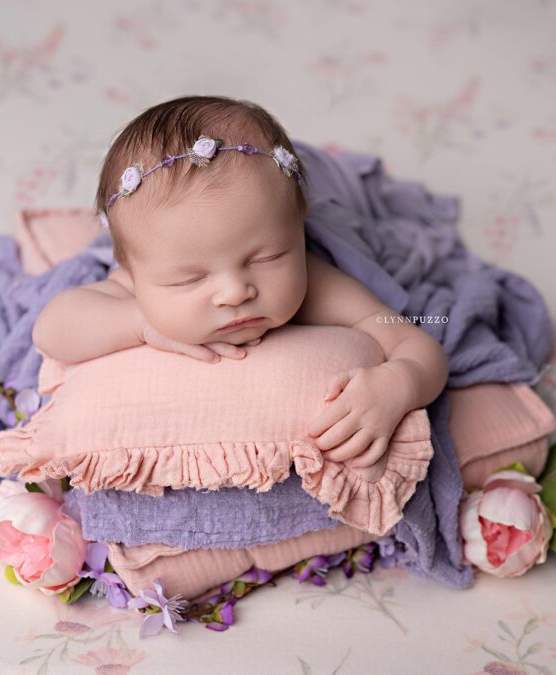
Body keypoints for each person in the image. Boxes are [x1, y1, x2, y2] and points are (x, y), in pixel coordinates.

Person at [31, 95, 448, 472]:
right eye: (189, 279)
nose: (236, 292)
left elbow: (409, 339)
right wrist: (139, 321)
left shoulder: (317, 284)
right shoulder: (137, 282)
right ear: (133, 270)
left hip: (313, 186)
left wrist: (400, 383)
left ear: (297, 235)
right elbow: (51, 331)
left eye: (266, 258)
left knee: (329, 184)